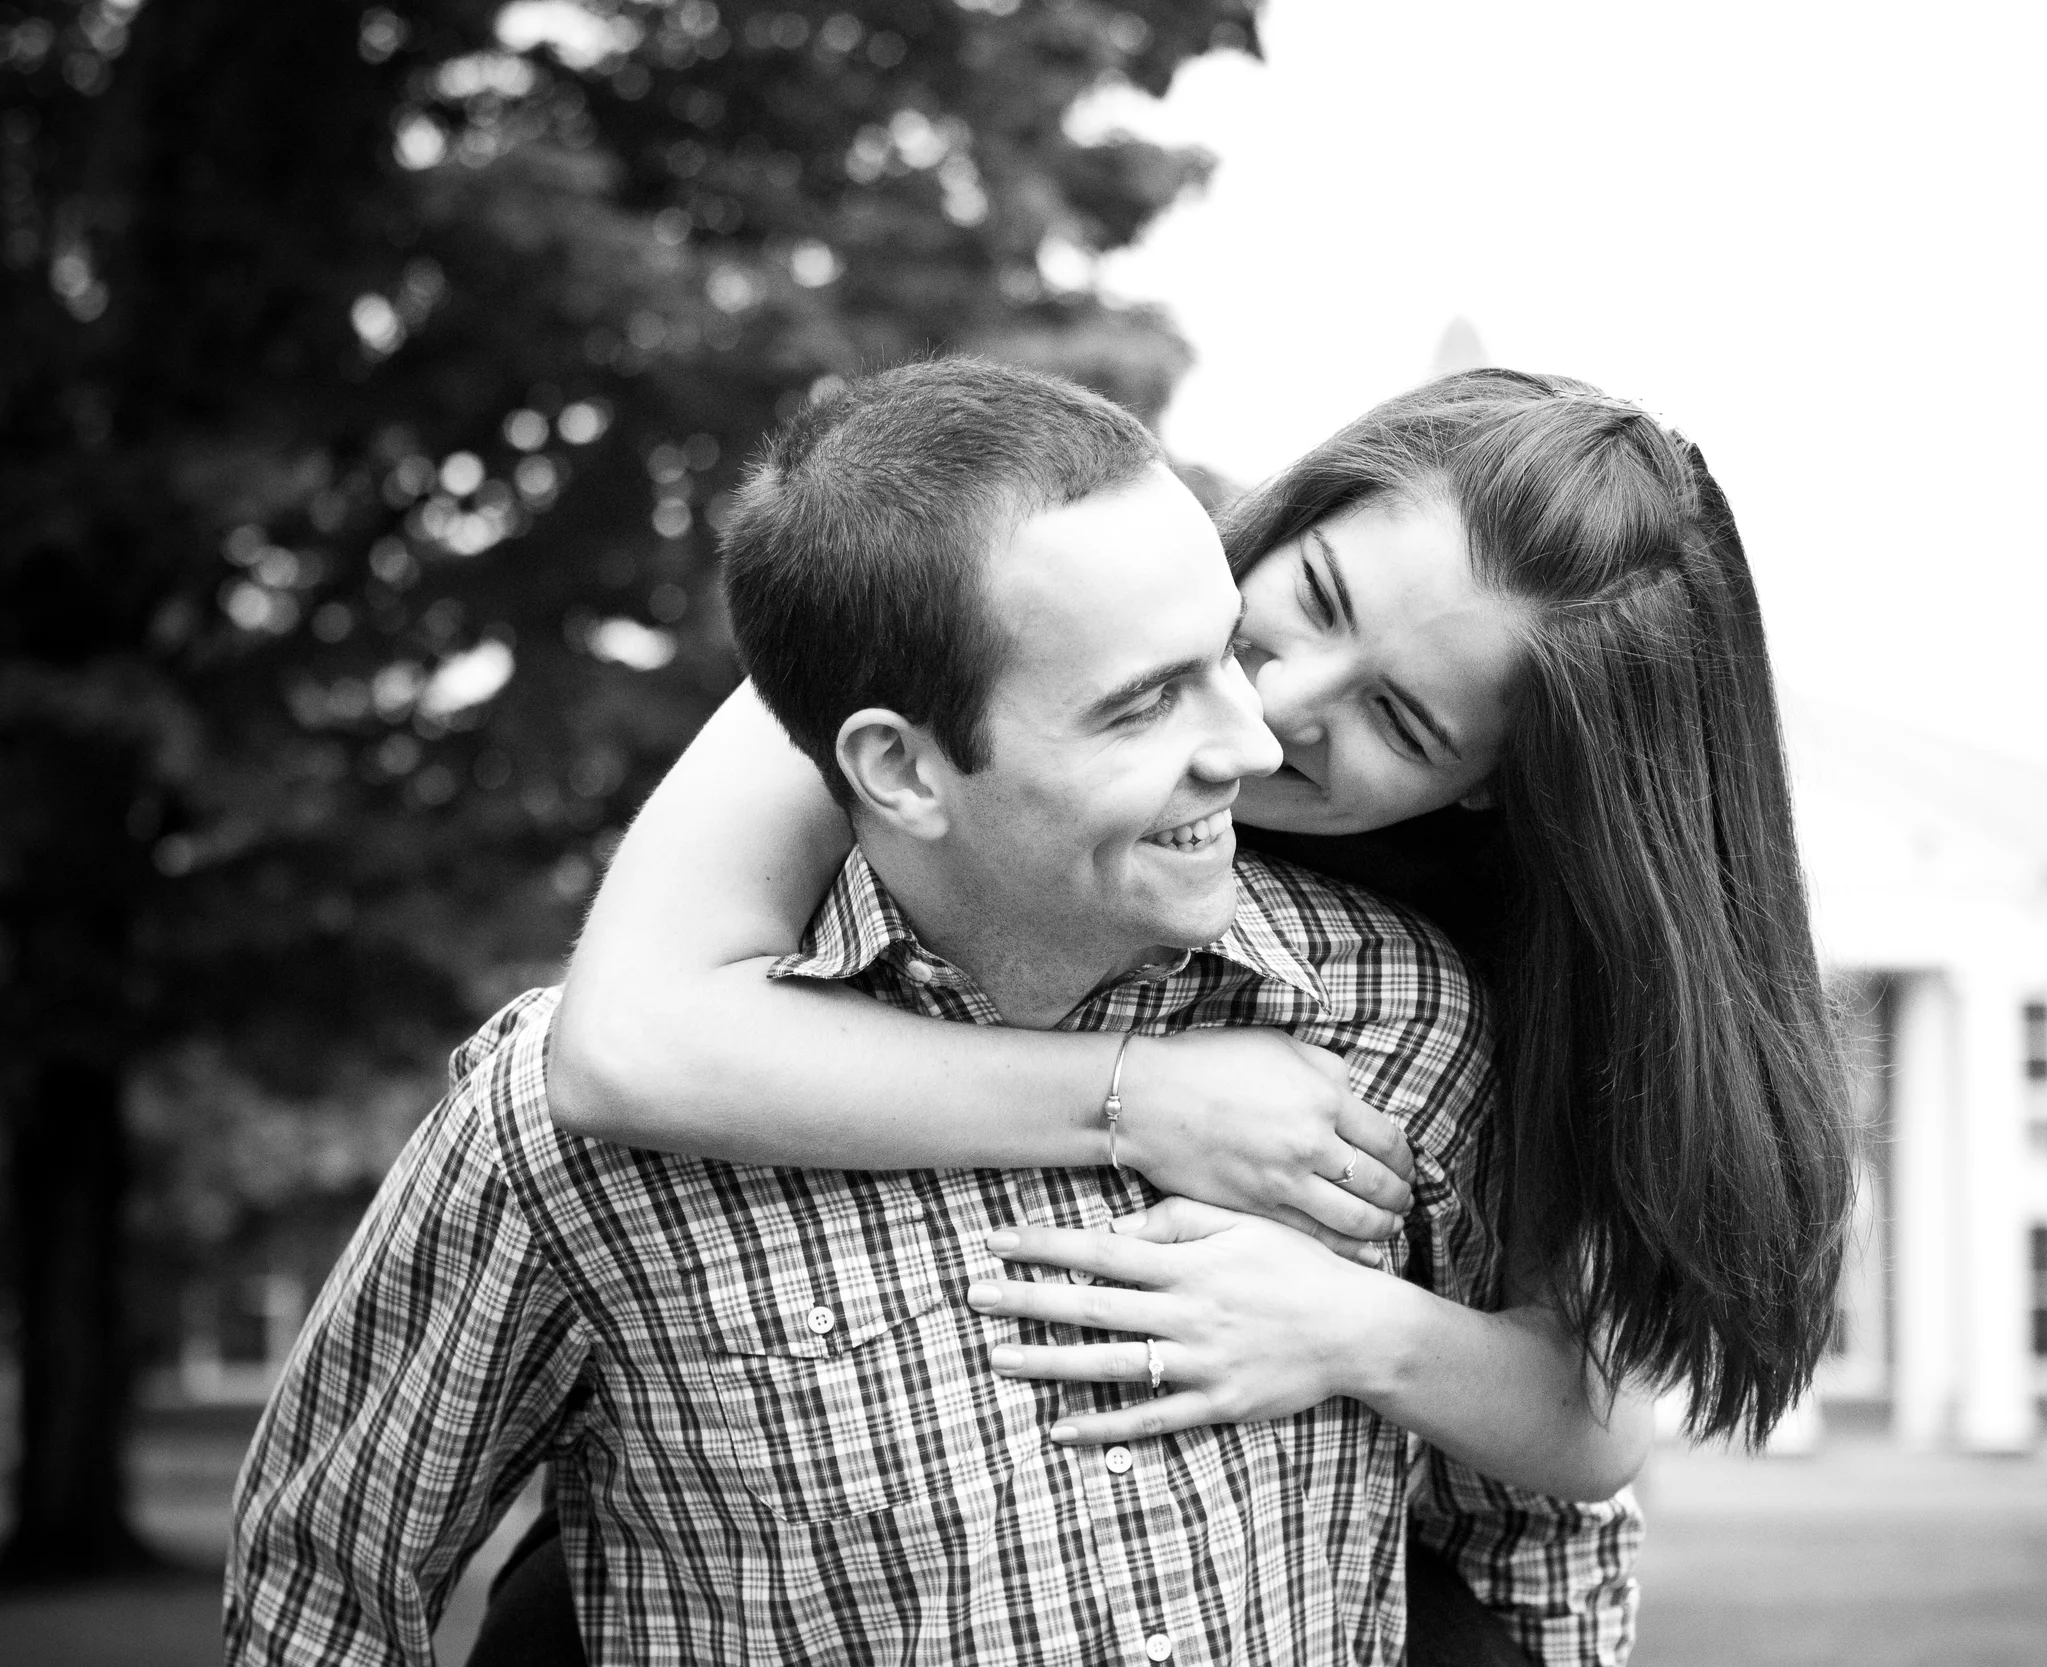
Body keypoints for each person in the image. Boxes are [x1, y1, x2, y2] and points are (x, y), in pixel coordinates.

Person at [227, 360, 1638, 1665]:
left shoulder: (1411, 1020)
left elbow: (1546, 1517)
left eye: (1405, 721)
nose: (1259, 725)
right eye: (1154, 694)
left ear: (1486, 788)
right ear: (899, 767)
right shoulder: (579, 1125)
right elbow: (321, 1594)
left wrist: (1354, 1326)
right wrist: (1138, 1093)